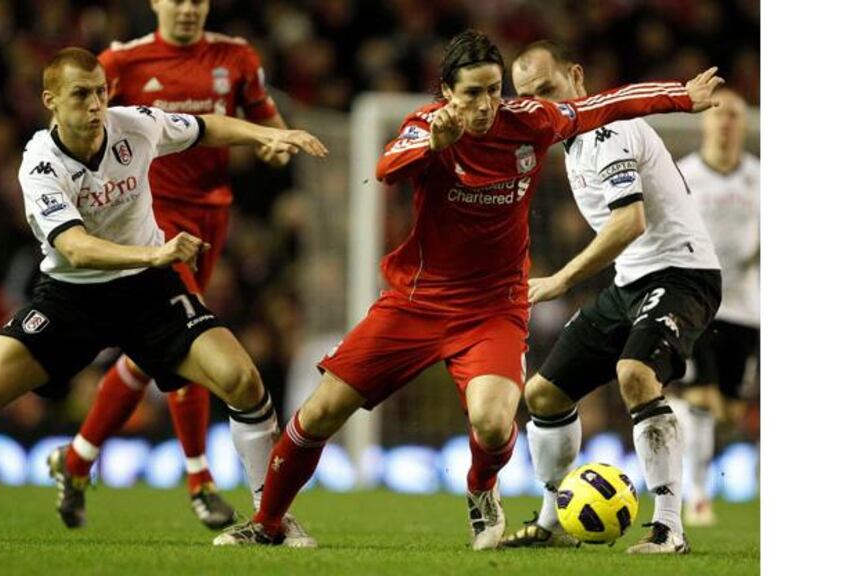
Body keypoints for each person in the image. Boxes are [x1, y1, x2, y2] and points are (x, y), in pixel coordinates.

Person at [212, 30, 723, 549]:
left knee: (496, 422)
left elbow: (607, 104)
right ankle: (268, 522)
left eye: (494, 90)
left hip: (492, 310)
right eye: (472, 94)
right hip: (417, 302)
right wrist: (433, 143)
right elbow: (386, 168)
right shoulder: (424, 129)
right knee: (320, 412)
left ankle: (482, 488)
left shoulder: (531, 122)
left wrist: (682, 97)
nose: (485, 105)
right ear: (446, 92)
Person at [0, 48, 329, 534]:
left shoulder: (134, 125)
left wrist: (269, 133)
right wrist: (153, 255)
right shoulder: (39, 164)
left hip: (149, 294)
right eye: (81, 94)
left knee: (243, 381)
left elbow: (205, 127)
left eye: (101, 91)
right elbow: (74, 248)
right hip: (72, 297)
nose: (95, 104)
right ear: (51, 101)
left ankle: (272, 519)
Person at [52, 0, 294, 533]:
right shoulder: (120, 62)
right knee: (188, 337)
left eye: (197, 0)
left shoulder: (236, 55)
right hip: (151, 219)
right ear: (156, 3)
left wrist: (276, 140)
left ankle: (75, 462)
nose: (187, 8)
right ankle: (199, 479)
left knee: (145, 357)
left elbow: (263, 117)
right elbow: (74, 129)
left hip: (213, 216)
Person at [507, 40, 724, 554]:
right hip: (630, 281)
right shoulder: (570, 141)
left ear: (577, 77)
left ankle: (669, 527)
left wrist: (560, 280)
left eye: (549, 89)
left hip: (683, 272)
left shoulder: (609, 130)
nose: (543, 105)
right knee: (543, 394)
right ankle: (553, 521)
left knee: (635, 374)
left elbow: (631, 221)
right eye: (529, 98)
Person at [674, 88, 759, 527]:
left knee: (729, 411)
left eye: (735, 115)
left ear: (744, 124)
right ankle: (700, 498)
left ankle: (680, 410)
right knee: (703, 399)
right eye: (719, 113)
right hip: (698, 302)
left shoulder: (761, 178)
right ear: (705, 120)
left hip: (747, 307)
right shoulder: (684, 176)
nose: (726, 121)